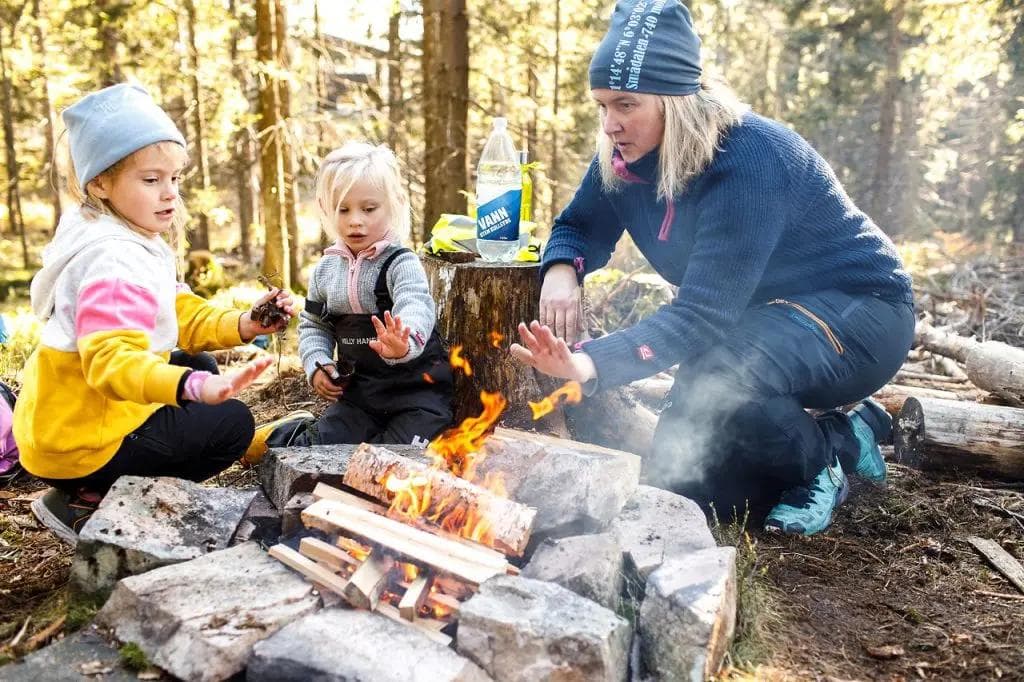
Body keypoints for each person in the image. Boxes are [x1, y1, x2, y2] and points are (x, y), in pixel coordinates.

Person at [510, 0, 915, 536]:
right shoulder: (622, 156)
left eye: (625, 105)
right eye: (602, 106)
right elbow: (577, 226)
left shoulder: (749, 158)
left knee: (718, 378)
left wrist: (590, 365)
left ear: (675, 99)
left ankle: (831, 449)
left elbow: (702, 315)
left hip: (860, 314)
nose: (610, 125)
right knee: (697, 489)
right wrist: (563, 269)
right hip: (757, 326)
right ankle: (828, 436)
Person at [15, 83, 294, 544]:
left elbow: (177, 311)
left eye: (175, 179)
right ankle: (90, 504)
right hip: (81, 442)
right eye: (151, 180)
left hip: (68, 424)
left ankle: (83, 491)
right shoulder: (113, 260)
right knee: (231, 425)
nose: (169, 195)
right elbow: (111, 363)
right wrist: (192, 388)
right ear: (100, 182)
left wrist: (245, 324)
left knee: (195, 363)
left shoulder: (125, 235)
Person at [243, 142, 453, 462]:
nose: (356, 220)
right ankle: (291, 431)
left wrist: (405, 339)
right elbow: (315, 324)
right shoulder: (326, 271)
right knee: (314, 454)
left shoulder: (400, 263)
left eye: (369, 209)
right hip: (360, 401)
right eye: (343, 209)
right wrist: (317, 364)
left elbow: (416, 304)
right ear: (326, 209)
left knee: (393, 463)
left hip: (418, 400)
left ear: (392, 206)